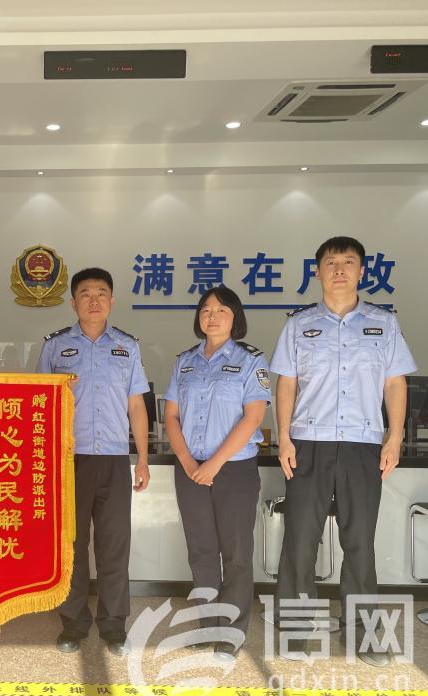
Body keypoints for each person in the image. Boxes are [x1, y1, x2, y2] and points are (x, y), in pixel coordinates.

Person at [270, 236, 416, 667]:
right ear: (317, 271)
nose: (339, 269)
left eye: (348, 262)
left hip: (362, 444)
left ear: (362, 271)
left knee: (359, 543)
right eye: (330, 262)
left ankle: (364, 637)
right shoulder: (298, 325)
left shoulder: (384, 324)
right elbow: (286, 384)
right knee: (300, 541)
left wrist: (395, 436)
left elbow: (395, 383)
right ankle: (297, 632)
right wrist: (283, 436)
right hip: (308, 443)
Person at [36, 267, 149, 656]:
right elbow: (41, 405)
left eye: (102, 293)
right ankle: (73, 622)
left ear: (112, 300)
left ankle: (114, 623)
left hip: (115, 458)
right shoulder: (55, 347)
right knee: (71, 544)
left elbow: (137, 405)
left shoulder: (127, 347)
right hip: (70, 460)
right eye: (86, 293)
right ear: (73, 302)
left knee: (114, 544)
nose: (94, 300)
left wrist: (142, 459)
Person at [163, 286, 271, 661]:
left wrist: (214, 463)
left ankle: (231, 632)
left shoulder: (251, 361)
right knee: (201, 552)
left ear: (235, 317)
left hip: (234, 470)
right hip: (190, 469)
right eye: (206, 309)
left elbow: (253, 417)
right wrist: (188, 462)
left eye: (222, 309)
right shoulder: (184, 362)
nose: (212, 316)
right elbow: (171, 416)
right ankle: (206, 623)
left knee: (237, 553)